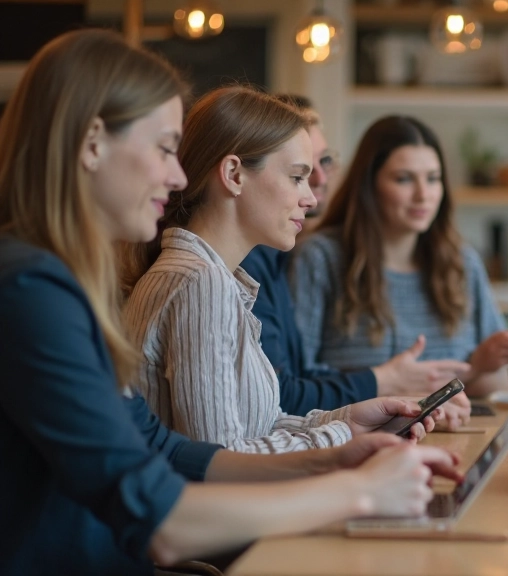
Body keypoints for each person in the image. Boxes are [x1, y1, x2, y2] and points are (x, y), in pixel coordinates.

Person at [0, 30, 459, 575]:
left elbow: (164, 450)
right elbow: (163, 520)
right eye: (166, 148)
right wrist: (356, 490)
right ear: (93, 142)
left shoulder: (64, 283)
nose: (177, 176)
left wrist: (335, 454)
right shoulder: (30, 292)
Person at [121, 87, 447, 452]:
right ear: (234, 174)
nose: (309, 198)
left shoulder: (214, 279)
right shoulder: (201, 283)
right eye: (297, 177)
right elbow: (221, 459)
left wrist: (349, 420)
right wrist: (341, 437)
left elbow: (257, 425)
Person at [239, 96, 471, 426]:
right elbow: (282, 398)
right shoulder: (278, 261)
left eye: (325, 161)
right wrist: (387, 386)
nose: (319, 181)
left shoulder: (272, 255)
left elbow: (287, 395)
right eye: (299, 173)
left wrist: (407, 405)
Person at [289, 115, 508, 396]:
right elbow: (298, 381)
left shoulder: (462, 262)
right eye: (404, 179)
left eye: (433, 179)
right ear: (369, 185)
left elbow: (497, 381)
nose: (423, 195)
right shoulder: (320, 258)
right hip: (360, 436)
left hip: (456, 435)